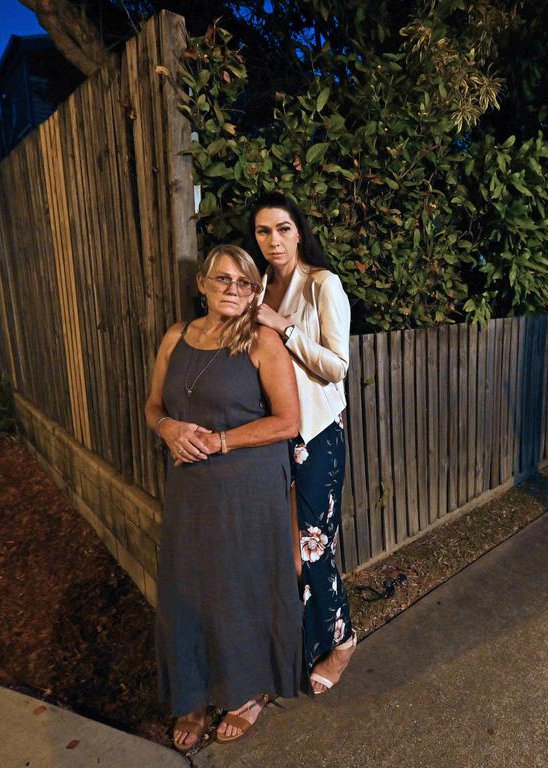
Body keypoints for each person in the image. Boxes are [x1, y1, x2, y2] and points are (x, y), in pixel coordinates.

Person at [144, 244, 303, 751]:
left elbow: (288, 422)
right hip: (190, 486)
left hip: (248, 484)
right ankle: (191, 694)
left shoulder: (261, 341)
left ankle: (248, 692)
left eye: (245, 283)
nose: (233, 290)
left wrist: (220, 441)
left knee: (240, 589)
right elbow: (152, 406)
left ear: (255, 291)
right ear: (203, 285)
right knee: (186, 587)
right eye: (223, 280)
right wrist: (167, 426)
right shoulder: (177, 336)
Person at [242, 192, 357, 695]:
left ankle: (343, 641)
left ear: (299, 231)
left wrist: (283, 328)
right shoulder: (259, 286)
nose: (274, 241)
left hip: (316, 434)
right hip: (272, 435)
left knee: (314, 549)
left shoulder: (320, 285)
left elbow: (337, 366)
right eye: (264, 231)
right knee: (286, 554)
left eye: (283, 229)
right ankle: (302, 646)